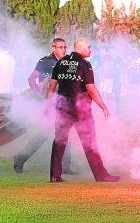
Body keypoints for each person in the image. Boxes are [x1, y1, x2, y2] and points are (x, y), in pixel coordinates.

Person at [47, 37, 120, 183]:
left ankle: (55, 176)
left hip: (62, 108)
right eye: (89, 47)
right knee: (90, 142)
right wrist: (104, 107)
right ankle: (101, 175)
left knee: (59, 141)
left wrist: (48, 107)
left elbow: (51, 89)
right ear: (80, 47)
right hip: (81, 110)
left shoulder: (61, 62)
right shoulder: (84, 64)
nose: (91, 50)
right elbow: (91, 89)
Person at [13, 38, 76, 175]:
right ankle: (20, 158)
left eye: (65, 47)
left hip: (63, 101)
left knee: (66, 134)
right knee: (43, 134)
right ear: (53, 48)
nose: (63, 49)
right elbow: (31, 79)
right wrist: (38, 94)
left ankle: (66, 167)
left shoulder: (68, 61)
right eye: (60, 47)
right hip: (49, 102)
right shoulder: (45, 61)